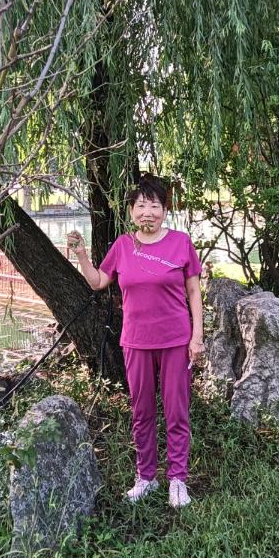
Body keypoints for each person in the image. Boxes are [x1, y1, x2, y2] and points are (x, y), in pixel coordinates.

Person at [67, 175, 204, 508]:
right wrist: (81, 255)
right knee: (142, 412)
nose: (147, 212)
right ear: (131, 211)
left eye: (154, 205)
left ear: (165, 210)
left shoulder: (181, 243)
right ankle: (146, 477)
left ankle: (177, 479)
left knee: (176, 411)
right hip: (136, 342)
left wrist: (197, 337)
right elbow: (98, 281)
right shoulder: (123, 246)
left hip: (175, 340)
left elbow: (194, 291)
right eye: (141, 205)